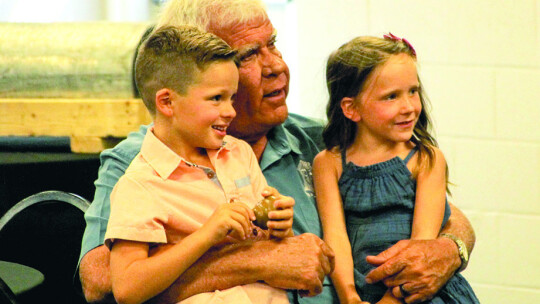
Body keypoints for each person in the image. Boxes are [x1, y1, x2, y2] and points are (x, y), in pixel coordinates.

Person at [78, 1, 476, 303]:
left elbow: (450, 216)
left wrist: (447, 250)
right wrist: (260, 261)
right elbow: (101, 281)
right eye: (248, 55)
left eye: (273, 45)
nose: (277, 67)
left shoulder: (320, 140)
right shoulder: (142, 158)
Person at [105, 25, 296, 304]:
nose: (230, 111)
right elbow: (127, 288)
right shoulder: (140, 185)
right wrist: (206, 235)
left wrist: (279, 224)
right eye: (216, 98)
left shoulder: (239, 153)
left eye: (231, 97)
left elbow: (268, 244)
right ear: (167, 102)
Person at [313, 34, 479, 304]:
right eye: (391, 97)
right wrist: (349, 296)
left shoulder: (426, 159)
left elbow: (421, 249)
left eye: (413, 91)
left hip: (419, 293)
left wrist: (391, 301)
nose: (409, 107)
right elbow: (336, 237)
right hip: (364, 290)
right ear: (351, 108)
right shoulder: (329, 163)